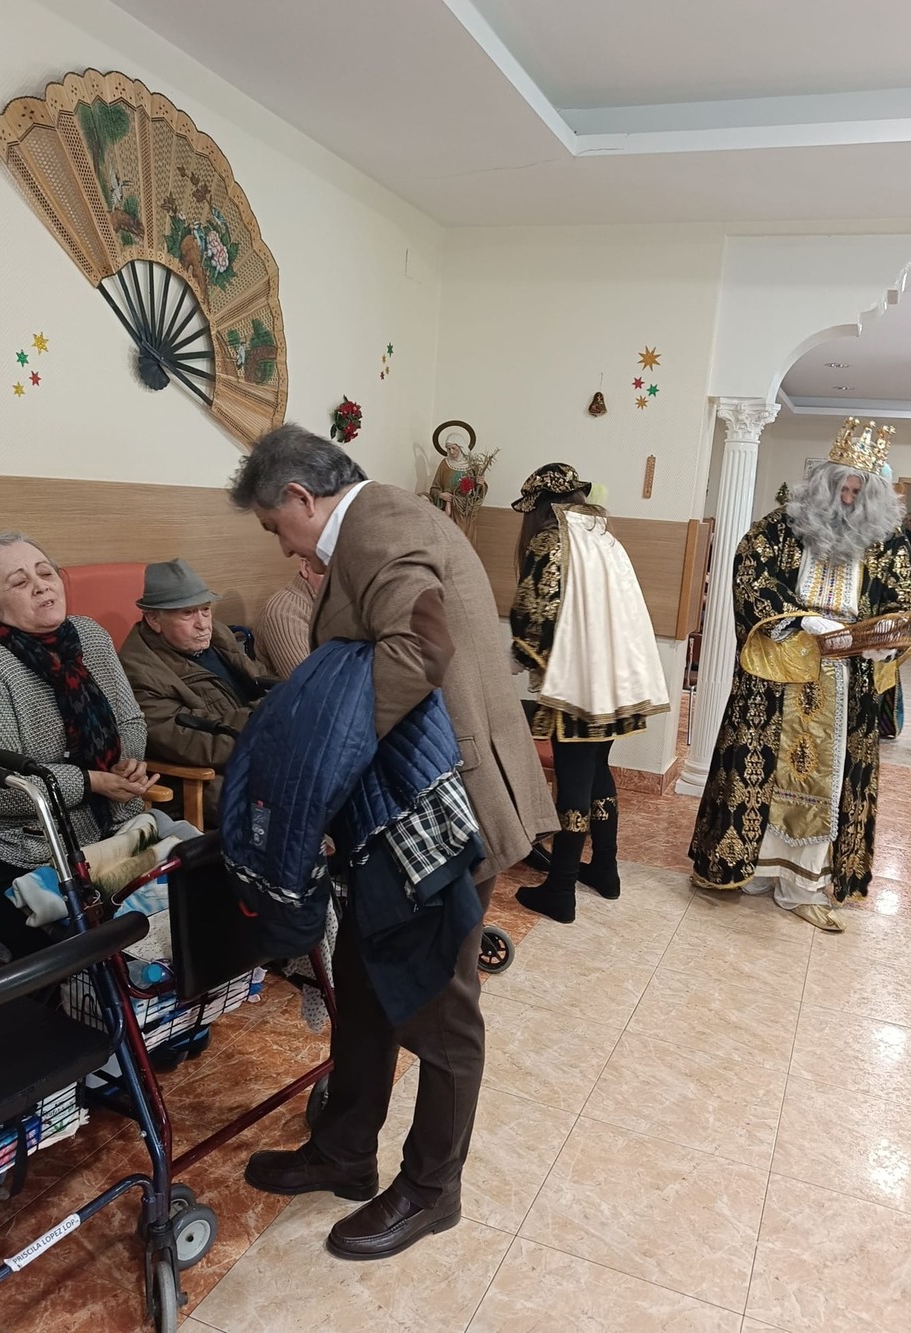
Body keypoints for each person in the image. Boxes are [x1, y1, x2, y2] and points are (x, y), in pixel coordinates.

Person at [227, 425, 555, 1260]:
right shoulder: (384, 522)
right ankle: (346, 1149)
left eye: (274, 524)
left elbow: (420, 647)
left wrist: (332, 754)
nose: (280, 542)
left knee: (438, 1007)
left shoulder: (378, 526)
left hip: (445, 809)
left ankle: (432, 1187)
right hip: (413, 807)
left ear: (301, 498)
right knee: (371, 980)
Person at [689, 419, 911, 932]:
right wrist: (799, 618)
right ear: (826, 484)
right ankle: (751, 868)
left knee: (830, 785)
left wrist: (884, 641)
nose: (849, 500)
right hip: (777, 675)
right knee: (759, 771)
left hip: (845, 685)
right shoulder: (781, 526)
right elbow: (749, 572)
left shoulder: (889, 543)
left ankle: (804, 885)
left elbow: (904, 605)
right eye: (843, 488)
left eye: (860, 493)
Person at [0, 532, 159, 957]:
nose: (42, 585)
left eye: (46, 572)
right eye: (19, 583)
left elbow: (128, 717)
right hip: (23, 851)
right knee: (95, 960)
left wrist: (126, 762)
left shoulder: (87, 635)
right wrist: (90, 782)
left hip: (111, 830)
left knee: (176, 912)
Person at [508, 464, 669, 923]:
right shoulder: (603, 536)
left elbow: (534, 610)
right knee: (598, 771)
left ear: (540, 506)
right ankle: (605, 869)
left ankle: (560, 891)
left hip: (577, 681)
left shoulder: (552, 539)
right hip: (615, 678)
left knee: (574, 784)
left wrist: (517, 657)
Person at [119, 559, 272, 827]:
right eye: (187, 614)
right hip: (208, 778)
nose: (202, 624)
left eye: (205, 610)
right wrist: (271, 723)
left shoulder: (219, 636)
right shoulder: (139, 674)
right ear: (154, 619)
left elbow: (258, 678)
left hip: (257, 746)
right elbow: (200, 745)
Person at [253, 557, 323, 679]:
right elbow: (306, 683)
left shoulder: (340, 601)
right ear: (305, 567)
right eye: (327, 568)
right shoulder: (283, 612)